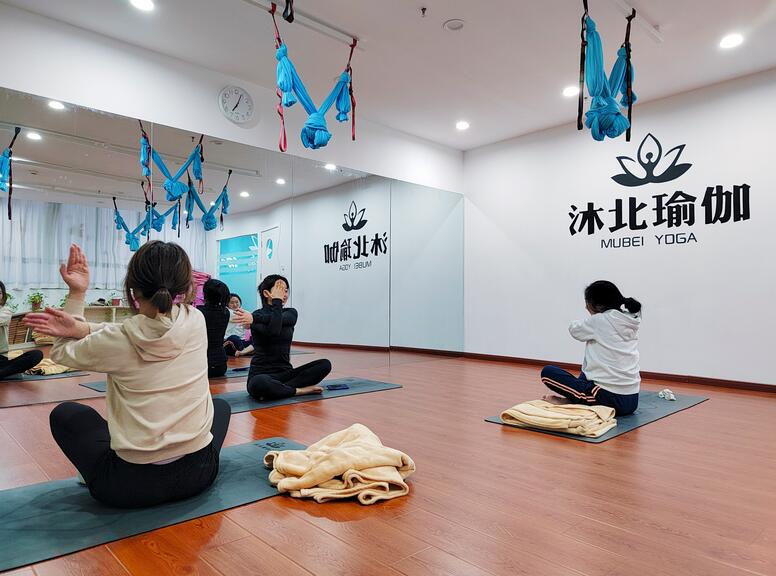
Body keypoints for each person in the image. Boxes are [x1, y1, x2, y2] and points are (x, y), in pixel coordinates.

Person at [23, 242, 231, 508]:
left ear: (132, 289)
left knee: (66, 414)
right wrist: (84, 328)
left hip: (128, 488)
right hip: (200, 473)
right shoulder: (196, 320)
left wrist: (77, 294)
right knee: (221, 407)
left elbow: (62, 351)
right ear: (187, 286)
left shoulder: (118, 339)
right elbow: (132, 330)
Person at [540, 280, 641, 416]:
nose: (585, 307)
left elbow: (574, 329)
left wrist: (590, 320)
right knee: (587, 371)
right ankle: (575, 399)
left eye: (587, 302)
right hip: (632, 399)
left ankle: (573, 401)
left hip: (610, 399)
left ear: (596, 305)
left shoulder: (600, 320)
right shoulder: (628, 319)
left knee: (547, 373)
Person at [233, 274, 331, 401]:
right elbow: (274, 331)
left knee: (324, 365)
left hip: (286, 374)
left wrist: (255, 318)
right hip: (261, 375)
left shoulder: (290, 313)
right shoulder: (256, 315)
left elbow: (277, 321)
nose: (284, 294)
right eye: (279, 290)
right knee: (259, 383)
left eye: (286, 291)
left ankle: (279, 389)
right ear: (266, 293)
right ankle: (298, 390)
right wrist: (276, 302)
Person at [0, 281, 44, 380]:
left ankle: (4, 373)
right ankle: (6, 374)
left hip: (1, 358)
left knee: (36, 355)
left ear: (3, 296)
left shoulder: (6, 311)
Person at [197, 280, 231, 378]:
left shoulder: (199, 312)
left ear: (205, 295)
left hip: (202, 366)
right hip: (221, 366)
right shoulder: (225, 312)